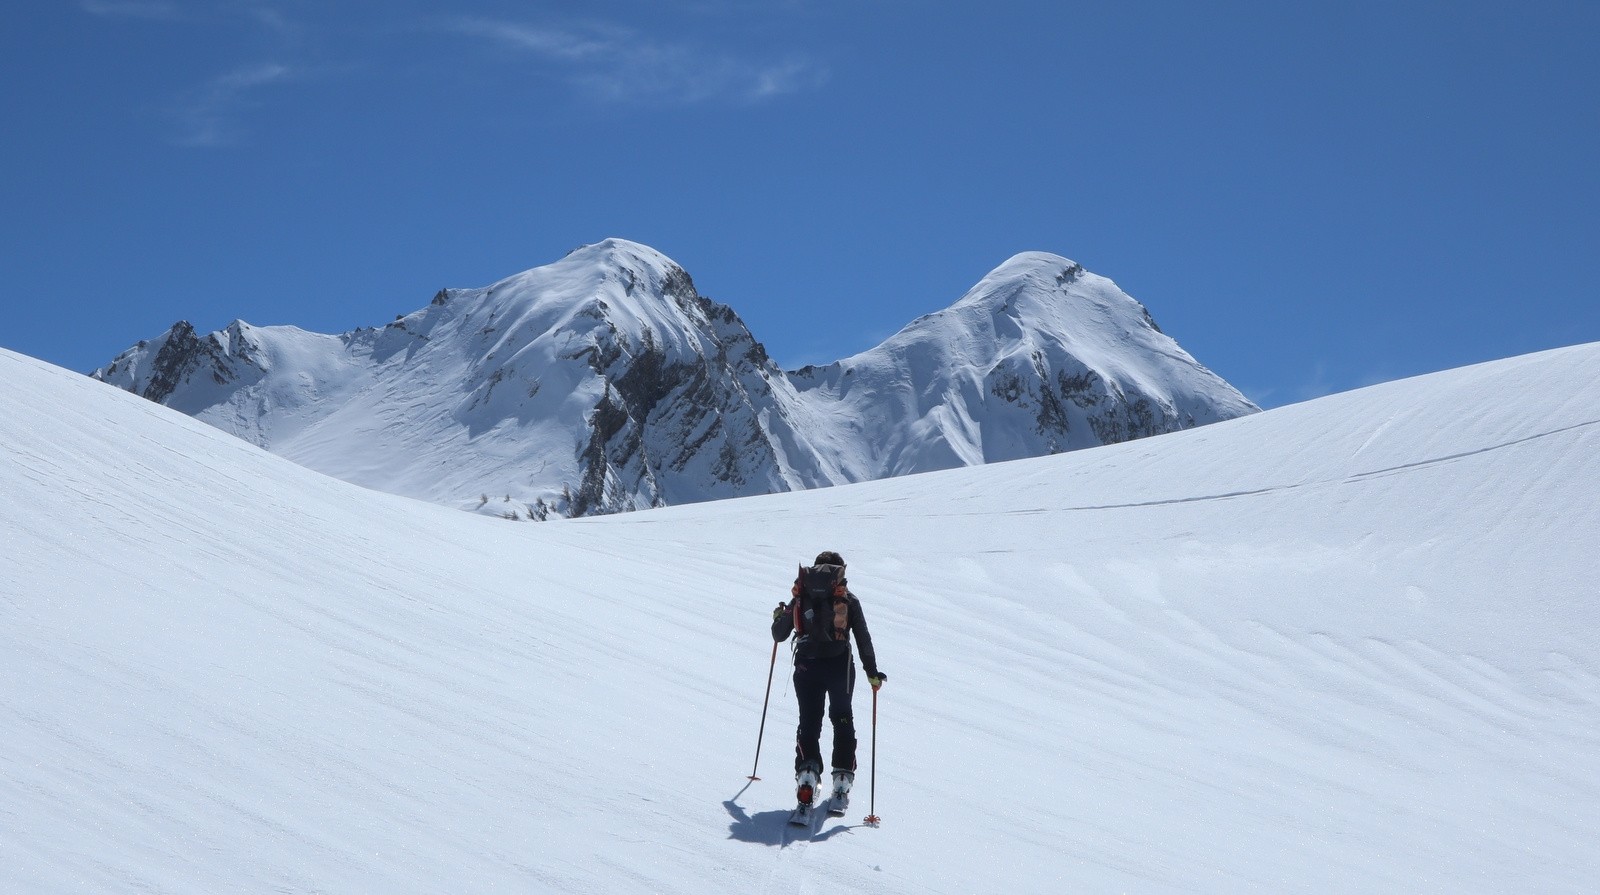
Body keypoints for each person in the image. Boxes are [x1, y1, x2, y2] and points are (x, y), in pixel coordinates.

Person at [771, 550, 886, 809]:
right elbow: (863, 639)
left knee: (809, 721)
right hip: (839, 668)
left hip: (806, 667)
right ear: (839, 572)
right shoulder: (847, 599)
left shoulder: (801, 596)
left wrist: (779, 617)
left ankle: (807, 777)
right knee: (842, 718)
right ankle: (842, 779)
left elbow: (779, 635)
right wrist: (872, 673)